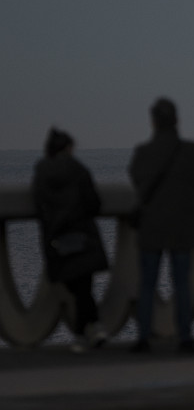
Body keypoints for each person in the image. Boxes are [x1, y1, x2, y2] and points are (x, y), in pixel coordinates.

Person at [128, 97, 194, 353]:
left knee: (147, 284)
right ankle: (185, 337)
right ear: (177, 121)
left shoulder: (143, 153)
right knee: (182, 283)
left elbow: (137, 181)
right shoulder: (191, 151)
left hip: (152, 226)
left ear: (153, 122)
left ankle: (142, 338)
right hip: (182, 225)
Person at [32, 128, 109, 353]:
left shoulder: (42, 172)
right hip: (82, 236)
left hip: (57, 239)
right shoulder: (78, 169)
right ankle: (84, 334)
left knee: (78, 288)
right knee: (83, 288)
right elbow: (94, 203)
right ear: (68, 148)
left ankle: (93, 330)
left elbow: (40, 206)